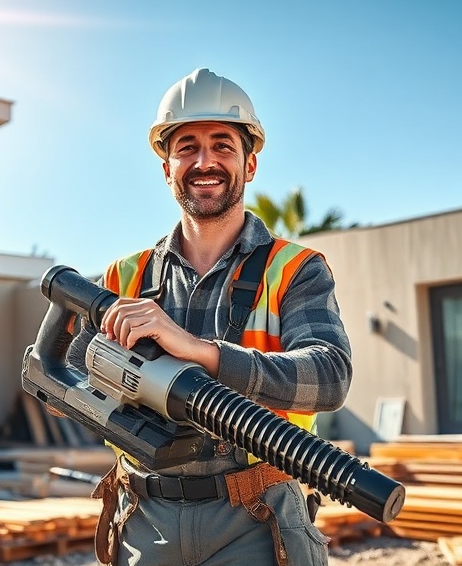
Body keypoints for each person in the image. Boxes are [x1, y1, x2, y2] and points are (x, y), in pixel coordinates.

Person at [72, 68, 352, 566]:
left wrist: (201, 354)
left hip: (258, 517)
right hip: (145, 519)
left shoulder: (294, 269)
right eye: (188, 147)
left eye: (222, 145)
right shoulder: (123, 277)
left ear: (250, 164)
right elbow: (69, 376)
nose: (205, 162)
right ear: (167, 168)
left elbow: (329, 377)